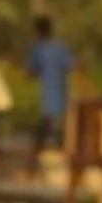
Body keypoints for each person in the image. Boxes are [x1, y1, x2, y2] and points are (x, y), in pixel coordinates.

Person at [26, 15, 75, 159]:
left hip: (48, 95)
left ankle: (33, 162)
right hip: (63, 93)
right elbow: (73, 66)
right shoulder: (61, 47)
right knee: (60, 127)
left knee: (45, 127)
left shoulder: (38, 49)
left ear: (37, 31)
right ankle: (65, 155)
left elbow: (31, 72)